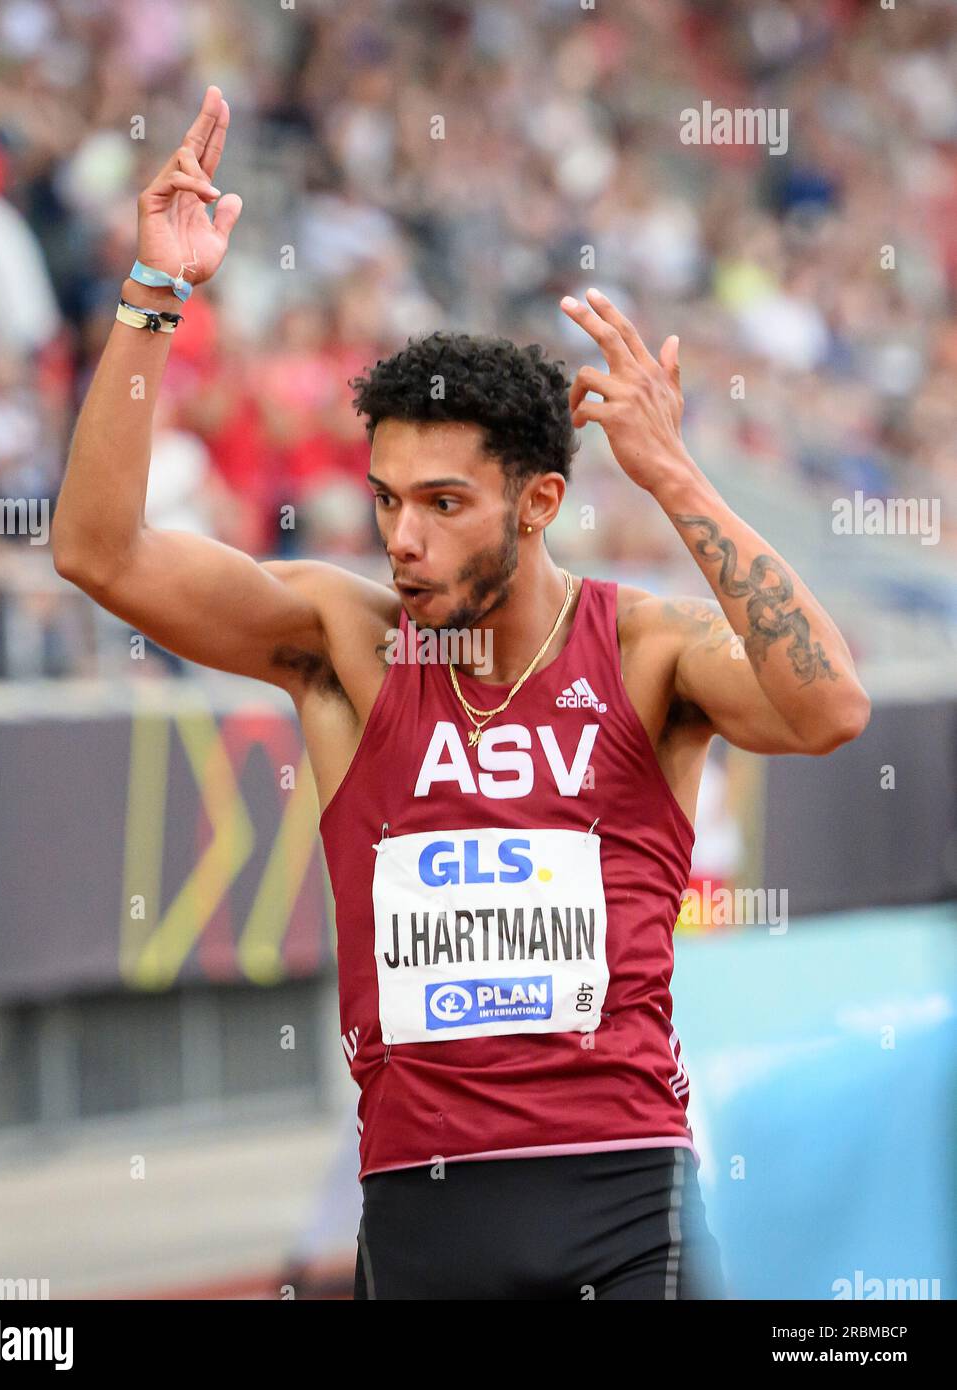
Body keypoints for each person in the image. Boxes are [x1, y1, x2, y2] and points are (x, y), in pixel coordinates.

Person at [52, 85, 871, 1301]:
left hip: (626, 1207)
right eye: (387, 500)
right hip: (422, 1215)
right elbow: (98, 554)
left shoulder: (644, 651)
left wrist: (676, 478)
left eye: (445, 504)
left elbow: (829, 709)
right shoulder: (347, 643)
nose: (404, 539)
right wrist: (152, 295)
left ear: (538, 503)